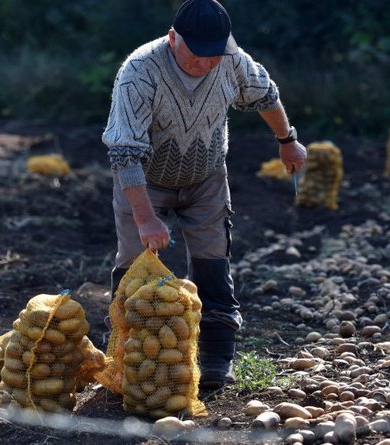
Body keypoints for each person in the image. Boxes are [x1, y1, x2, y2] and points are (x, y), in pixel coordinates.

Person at [102, 0, 306, 390]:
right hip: (144, 181)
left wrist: (287, 140)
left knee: (213, 261)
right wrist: (145, 218)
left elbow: (266, 94)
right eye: (197, 55)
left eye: (214, 56)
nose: (206, 64)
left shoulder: (230, 58)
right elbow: (124, 152)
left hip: (206, 178)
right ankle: (130, 359)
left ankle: (216, 357)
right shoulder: (139, 72)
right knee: (134, 263)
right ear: (172, 37)